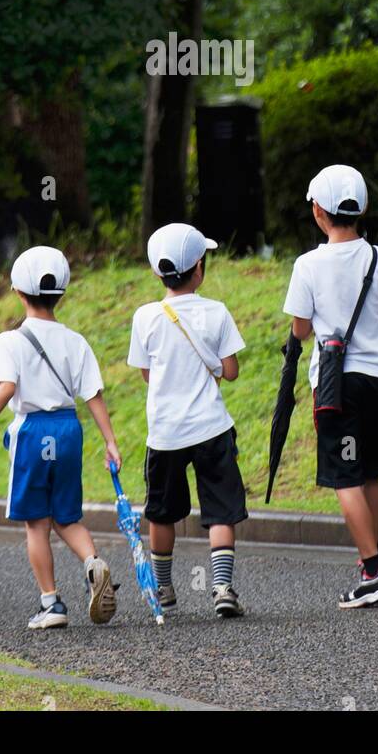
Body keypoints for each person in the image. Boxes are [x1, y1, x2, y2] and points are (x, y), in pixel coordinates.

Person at [0, 244, 121, 630]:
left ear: (18, 292)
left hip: (33, 432)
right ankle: (92, 563)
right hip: (69, 429)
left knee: (37, 522)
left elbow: (6, 388)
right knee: (65, 515)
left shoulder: (10, 341)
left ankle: (51, 604)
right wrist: (111, 441)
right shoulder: (75, 341)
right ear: (61, 294)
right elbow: (94, 395)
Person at [283, 165, 378, 608]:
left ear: (318, 211)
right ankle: (372, 566)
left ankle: (374, 571)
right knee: (370, 469)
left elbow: (300, 330)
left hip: (337, 384)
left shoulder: (308, 265)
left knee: (344, 474)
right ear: (363, 208)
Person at [129, 223, 248, 618]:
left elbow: (147, 373)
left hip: (165, 433)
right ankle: (221, 587)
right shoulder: (216, 312)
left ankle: (163, 589)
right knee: (221, 508)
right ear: (200, 268)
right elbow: (230, 371)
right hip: (211, 428)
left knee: (161, 511)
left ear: (156, 272)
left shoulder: (145, 317)